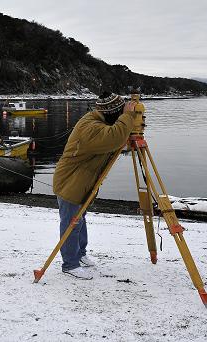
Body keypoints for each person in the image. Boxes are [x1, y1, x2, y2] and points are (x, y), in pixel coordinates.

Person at [52, 92, 138, 280]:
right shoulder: (91, 127)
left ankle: (80, 254)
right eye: (120, 112)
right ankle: (70, 264)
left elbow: (111, 142)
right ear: (113, 113)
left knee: (79, 219)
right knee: (71, 223)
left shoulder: (97, 122)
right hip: (71, 182)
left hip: (80, 181)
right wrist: (128, 116)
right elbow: (113, 137)